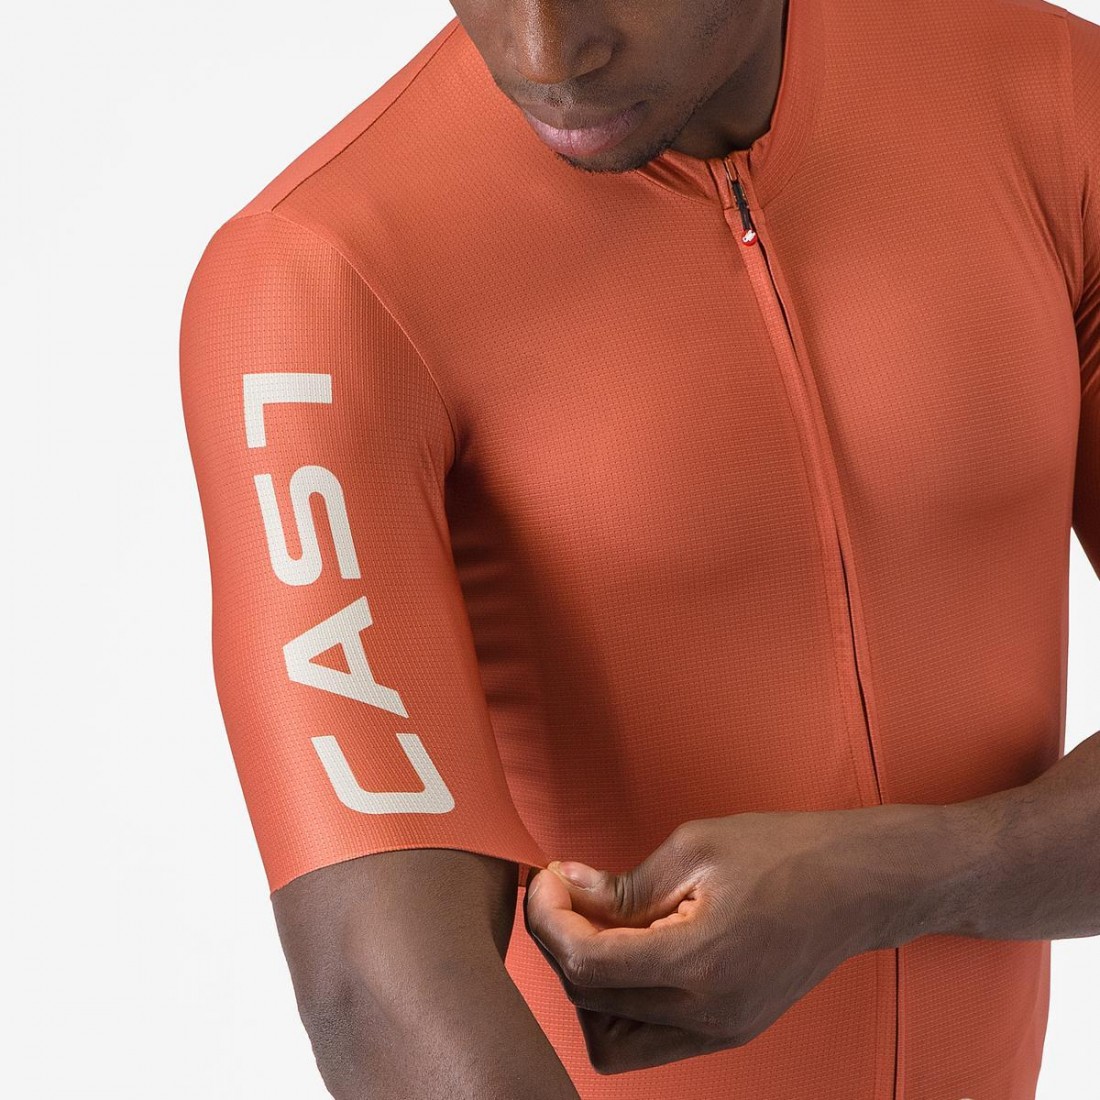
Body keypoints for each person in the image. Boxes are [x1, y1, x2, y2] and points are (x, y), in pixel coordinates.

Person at [177, 0, 1100, 1096]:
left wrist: (886, 882)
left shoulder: (1050, 103)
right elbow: (378, 990)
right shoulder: (314, 281)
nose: (543, 54)